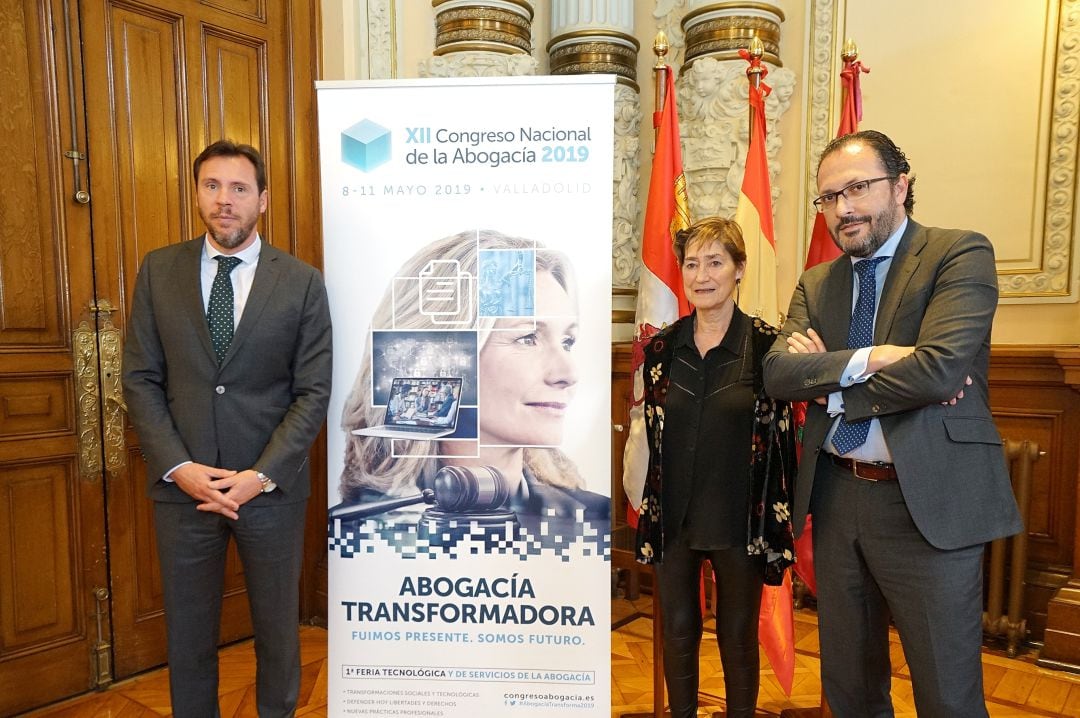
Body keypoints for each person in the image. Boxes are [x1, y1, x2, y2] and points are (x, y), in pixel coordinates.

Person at [763, 130, 1022, 716]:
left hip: (926, 501)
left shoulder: (958, 253)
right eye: (828, 197)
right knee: (849, 689)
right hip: (837, 499)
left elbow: (938, 370)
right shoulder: (819, 281)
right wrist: (872, 358)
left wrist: (831, 387)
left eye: (858, 188)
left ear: (901, 186)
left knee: (946, 695)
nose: (843, 209)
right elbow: (779, 374)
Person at [122, 140, 333, 718]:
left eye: (239, 189)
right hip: (182, 488)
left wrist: (260, 476)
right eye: (212, 186)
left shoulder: (301, 283)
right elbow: (139, 378)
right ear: (196, 194)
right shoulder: (159, 270)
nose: (224, 200)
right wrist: (180, 467)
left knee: (276, 635)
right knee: (188, 638)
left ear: (262, 200)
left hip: (268, 493)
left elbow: (313, 392)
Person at [633, 217, 796, 718]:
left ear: (739, 269)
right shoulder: (661, 349)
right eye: (692, 263)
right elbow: (652, 441)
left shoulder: (770, 348)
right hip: (674, 521)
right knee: (678, 633)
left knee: (737, 639)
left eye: (715, 262)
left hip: (738, 523)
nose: (702, 275)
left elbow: (785, 444)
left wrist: (780, 524)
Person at [338, 228, 608, 521]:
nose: (568, 373)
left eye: (568, 342)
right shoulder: (358, 532)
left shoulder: (591, 520)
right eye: (528, 337)